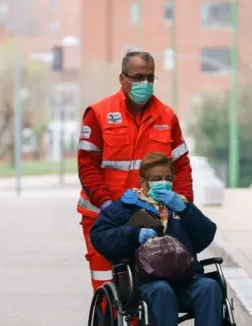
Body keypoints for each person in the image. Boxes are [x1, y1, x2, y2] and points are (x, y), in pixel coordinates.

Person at [89, 152, 224, 326]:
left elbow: (205, 236)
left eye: (168, 177)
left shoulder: (179, 206)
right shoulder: (125, 207)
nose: (164, 182)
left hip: (185, 278)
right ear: (143, 181)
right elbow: (99, 236)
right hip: (147, 282)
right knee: (162, 291)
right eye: (157, 177)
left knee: (210, 287)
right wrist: (133, 235)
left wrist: (184, 209)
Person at [77, 51, 194, 292]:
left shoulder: (167, 116)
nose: (145, 84)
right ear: (122, 79)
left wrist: (184, 206)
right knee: (107, 284)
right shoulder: (98, 114)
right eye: (138, 77)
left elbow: (181, 167)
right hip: (104, 217)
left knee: (148, 286)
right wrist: (107, 205)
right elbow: (87, 166)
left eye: (150, 78)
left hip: (152, 220)